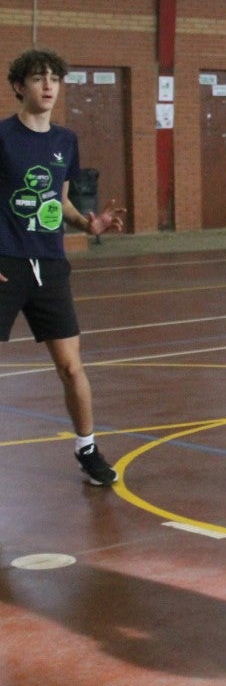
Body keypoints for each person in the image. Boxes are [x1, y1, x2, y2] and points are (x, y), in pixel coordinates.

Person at [2, 48, 126, 486]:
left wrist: (88, 223)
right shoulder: (2, 137)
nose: (49, 85)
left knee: (72, 368)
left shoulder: (65, 141)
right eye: (38, 78)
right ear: (19, 86)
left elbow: (61, 201)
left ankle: (87, 449)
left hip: (50, 265)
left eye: (55, 78)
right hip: (6, 264)